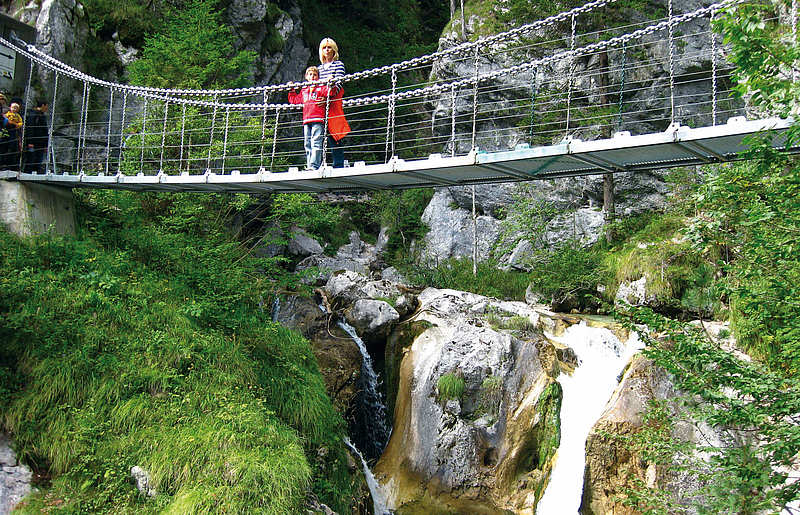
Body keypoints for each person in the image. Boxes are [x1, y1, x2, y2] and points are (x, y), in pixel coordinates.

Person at [288, 66, 331, 170]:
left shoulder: (321, 88)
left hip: (318, 119)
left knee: (316, 142)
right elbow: (295, 100)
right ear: (306, 77)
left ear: (318, 77)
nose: (312, 77)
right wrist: (291, 89)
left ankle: (314, 165)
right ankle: (309, 165)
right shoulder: (304, 90)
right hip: (307, 120)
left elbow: (330, 92)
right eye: (310, 74)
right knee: (307, 143)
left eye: (315, 75)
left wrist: (330, 82)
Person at [317, 38, 350, 167]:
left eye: (329, 47)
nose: (327, 50)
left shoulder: (338, 65)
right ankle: (317, 164)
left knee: (335, 132)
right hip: (320, 103)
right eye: (324, 48)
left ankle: (338, 163)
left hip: (333, 101)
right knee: (319, 133)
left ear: (334, 49)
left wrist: (327, 97)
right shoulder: (319, 68)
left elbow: (338, 84)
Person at [23, 100, 49, 173]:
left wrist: (45, 145)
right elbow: (30, 128)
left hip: (40, 143)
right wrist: (30, 142)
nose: (47, 108)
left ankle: (34, 173)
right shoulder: (34, 114)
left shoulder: (41, 115)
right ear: (43, 105)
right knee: (31, 160)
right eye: (46, 106)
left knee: (38, 161)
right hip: (34, 142)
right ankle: (28, 174)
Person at [1, 102, 23, 170]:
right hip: (6, 130)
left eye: (16, 108)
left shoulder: (18, 116)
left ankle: (9, 165)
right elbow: (4, 119)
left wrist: (18, 125)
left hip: (14, 131)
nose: (14, 109)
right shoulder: (7, 114)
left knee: (12, 146)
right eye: (13, 107)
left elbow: (21, 122)